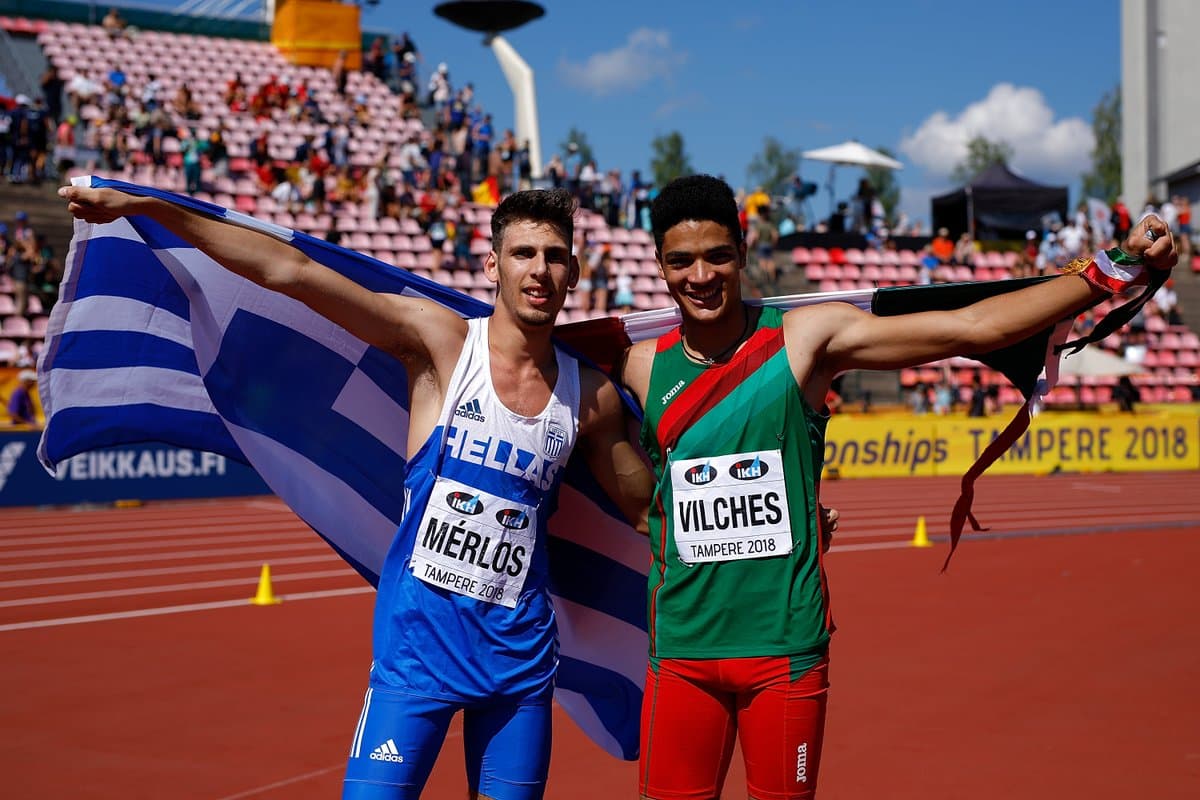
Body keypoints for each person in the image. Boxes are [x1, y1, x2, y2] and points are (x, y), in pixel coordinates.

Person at [60, 184, 655, 800]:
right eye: (524, 253)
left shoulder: (590, 397)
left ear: (575, 271)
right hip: (415, 658)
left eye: (555, 256)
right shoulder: (443, 344)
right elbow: (288, 269)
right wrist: (150, 209)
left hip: (520, 666)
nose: (540, 270)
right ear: (493, 264)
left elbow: (645, 512)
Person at [616, 174, 1175, 800]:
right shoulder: (638, 367)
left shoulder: (804, 338)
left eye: (718, 255)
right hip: (682, 652)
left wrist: (1111, 269)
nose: (701, 275)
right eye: (681, 261)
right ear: (660, 267)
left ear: (743, 253)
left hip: (784, 652)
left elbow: (972, 327)